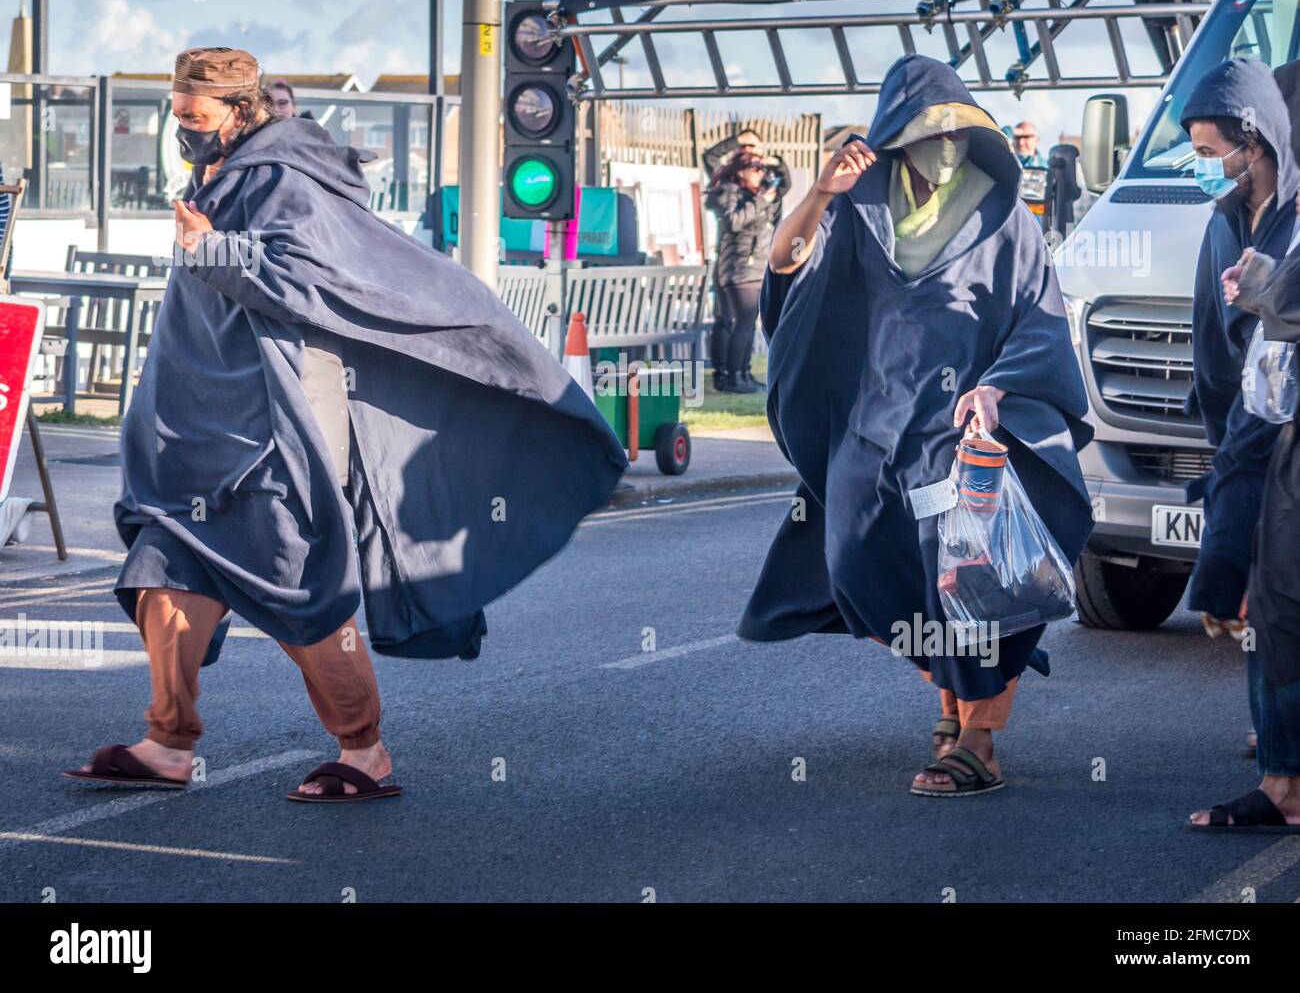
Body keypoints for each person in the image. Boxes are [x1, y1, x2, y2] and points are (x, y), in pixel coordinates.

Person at [64, 48, 626, 802]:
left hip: (270, 437)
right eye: (175, 113)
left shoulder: (283, 180)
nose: (181, 129)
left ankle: (364, 751)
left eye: (193, 116)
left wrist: (213, 249)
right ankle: (168, 743)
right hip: (196, 440)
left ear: (238, 109)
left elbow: (311, 279)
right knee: (164, 577)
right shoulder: (220, 175)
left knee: (300, 596)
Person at [740, 54, 1093, 797]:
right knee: (858, 568)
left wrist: (998, 389)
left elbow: (1039, 314)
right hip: (875, 427)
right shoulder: (859, 198)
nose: (947, 147)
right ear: (895, 136)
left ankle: (978, 739)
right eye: (931, 133)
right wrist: (818, 194)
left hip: (958, 432)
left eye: (959, 134)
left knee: (970, 583)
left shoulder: (1002, 213)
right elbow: (786, 267)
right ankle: (955, 689)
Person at [1181, 59, 1298, 645]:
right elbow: (1209, 337)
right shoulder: (1222, 220)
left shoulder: (1296, 219)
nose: (1204, 167)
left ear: (1252, 144)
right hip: (1246, 418)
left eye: (1209, 151)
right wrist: (1213, 424)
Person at [1186, 235, 1300, 832]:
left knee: (1281, 605)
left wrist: (1270, 290)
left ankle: (1286, 787)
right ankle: (1283, 780)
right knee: (1273, 605)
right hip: (1270, 436)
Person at [706, 151, 786, 392]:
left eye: (763, 169)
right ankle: (733, 378)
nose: (761, 173)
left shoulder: (755, 194)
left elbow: (784, 187)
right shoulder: (729, 190)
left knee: (748, 322)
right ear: (740, 170)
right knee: (742, 321)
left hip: (753, 267)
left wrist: (776, 166)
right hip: (739, 267)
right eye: (755, 168)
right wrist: (761, 200)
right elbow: (733, 221)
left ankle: (743, 375)